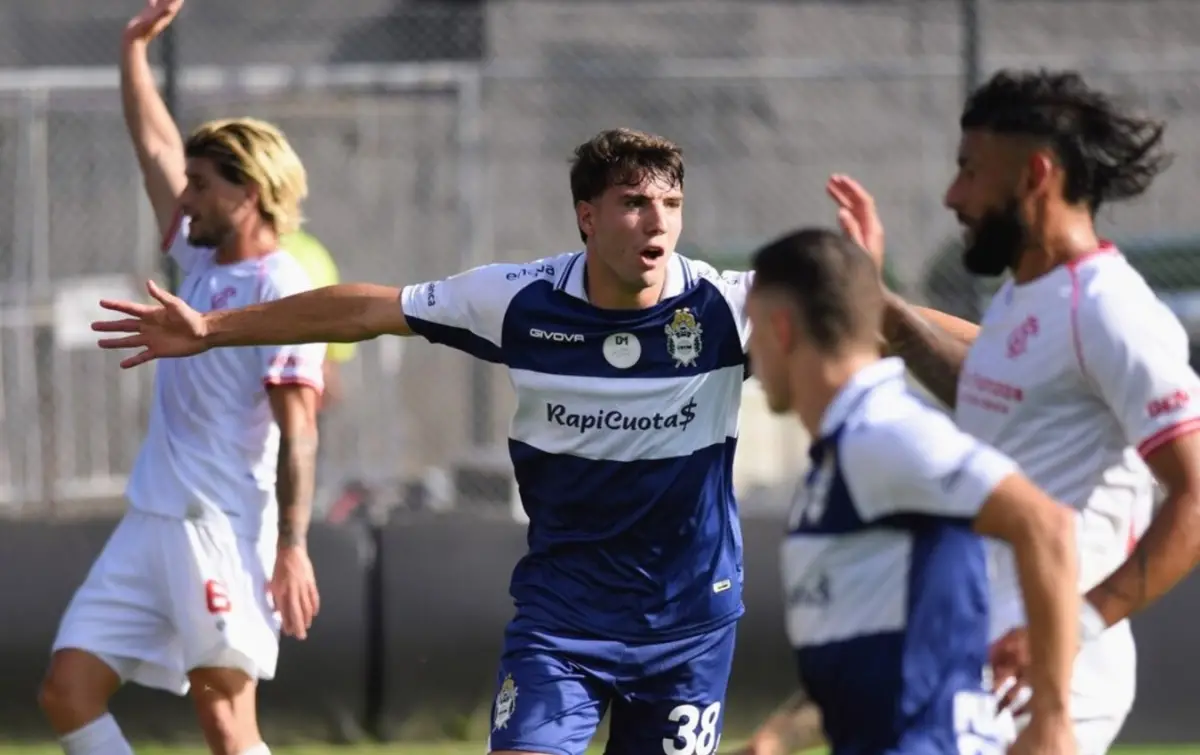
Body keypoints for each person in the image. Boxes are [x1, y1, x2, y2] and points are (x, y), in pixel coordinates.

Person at [91, 126, 757, 755]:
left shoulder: (726, 309)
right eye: (634, 203)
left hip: (689, 627)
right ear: (587, 216)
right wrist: (212, 328)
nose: (658, 221)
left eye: (671, 204)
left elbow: (820, 316)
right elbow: (366, 310)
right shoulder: (520, 300)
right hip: (565, 623)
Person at [832, 68, 1200, 754]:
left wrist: (1074, 628)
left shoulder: (1110, 311)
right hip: (981, 646)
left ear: (1034, 176)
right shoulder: (1025, 295)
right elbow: (998, 393)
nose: (954, 196)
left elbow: (1195, 495)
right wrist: (884, 311)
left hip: (1051, 674)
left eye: (970, 171)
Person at [38, 2, 326, 754]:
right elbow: (157, 147)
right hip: (150, 519)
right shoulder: (201, 259)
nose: (185, 197)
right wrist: (132, 49)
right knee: (67, 692)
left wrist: (292, 545)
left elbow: (299, 429)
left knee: (227, 726)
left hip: (218, 527)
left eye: (200, 184)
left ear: (248, 191)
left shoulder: (280, 285)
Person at [738, 227, 1079, 755]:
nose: (750, 350)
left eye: (752, 328)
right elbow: (872, 660)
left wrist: (1051, 724)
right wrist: (776, 740)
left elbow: (1045, 524)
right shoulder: (842, 451)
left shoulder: (884, 433)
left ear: (781, 330)